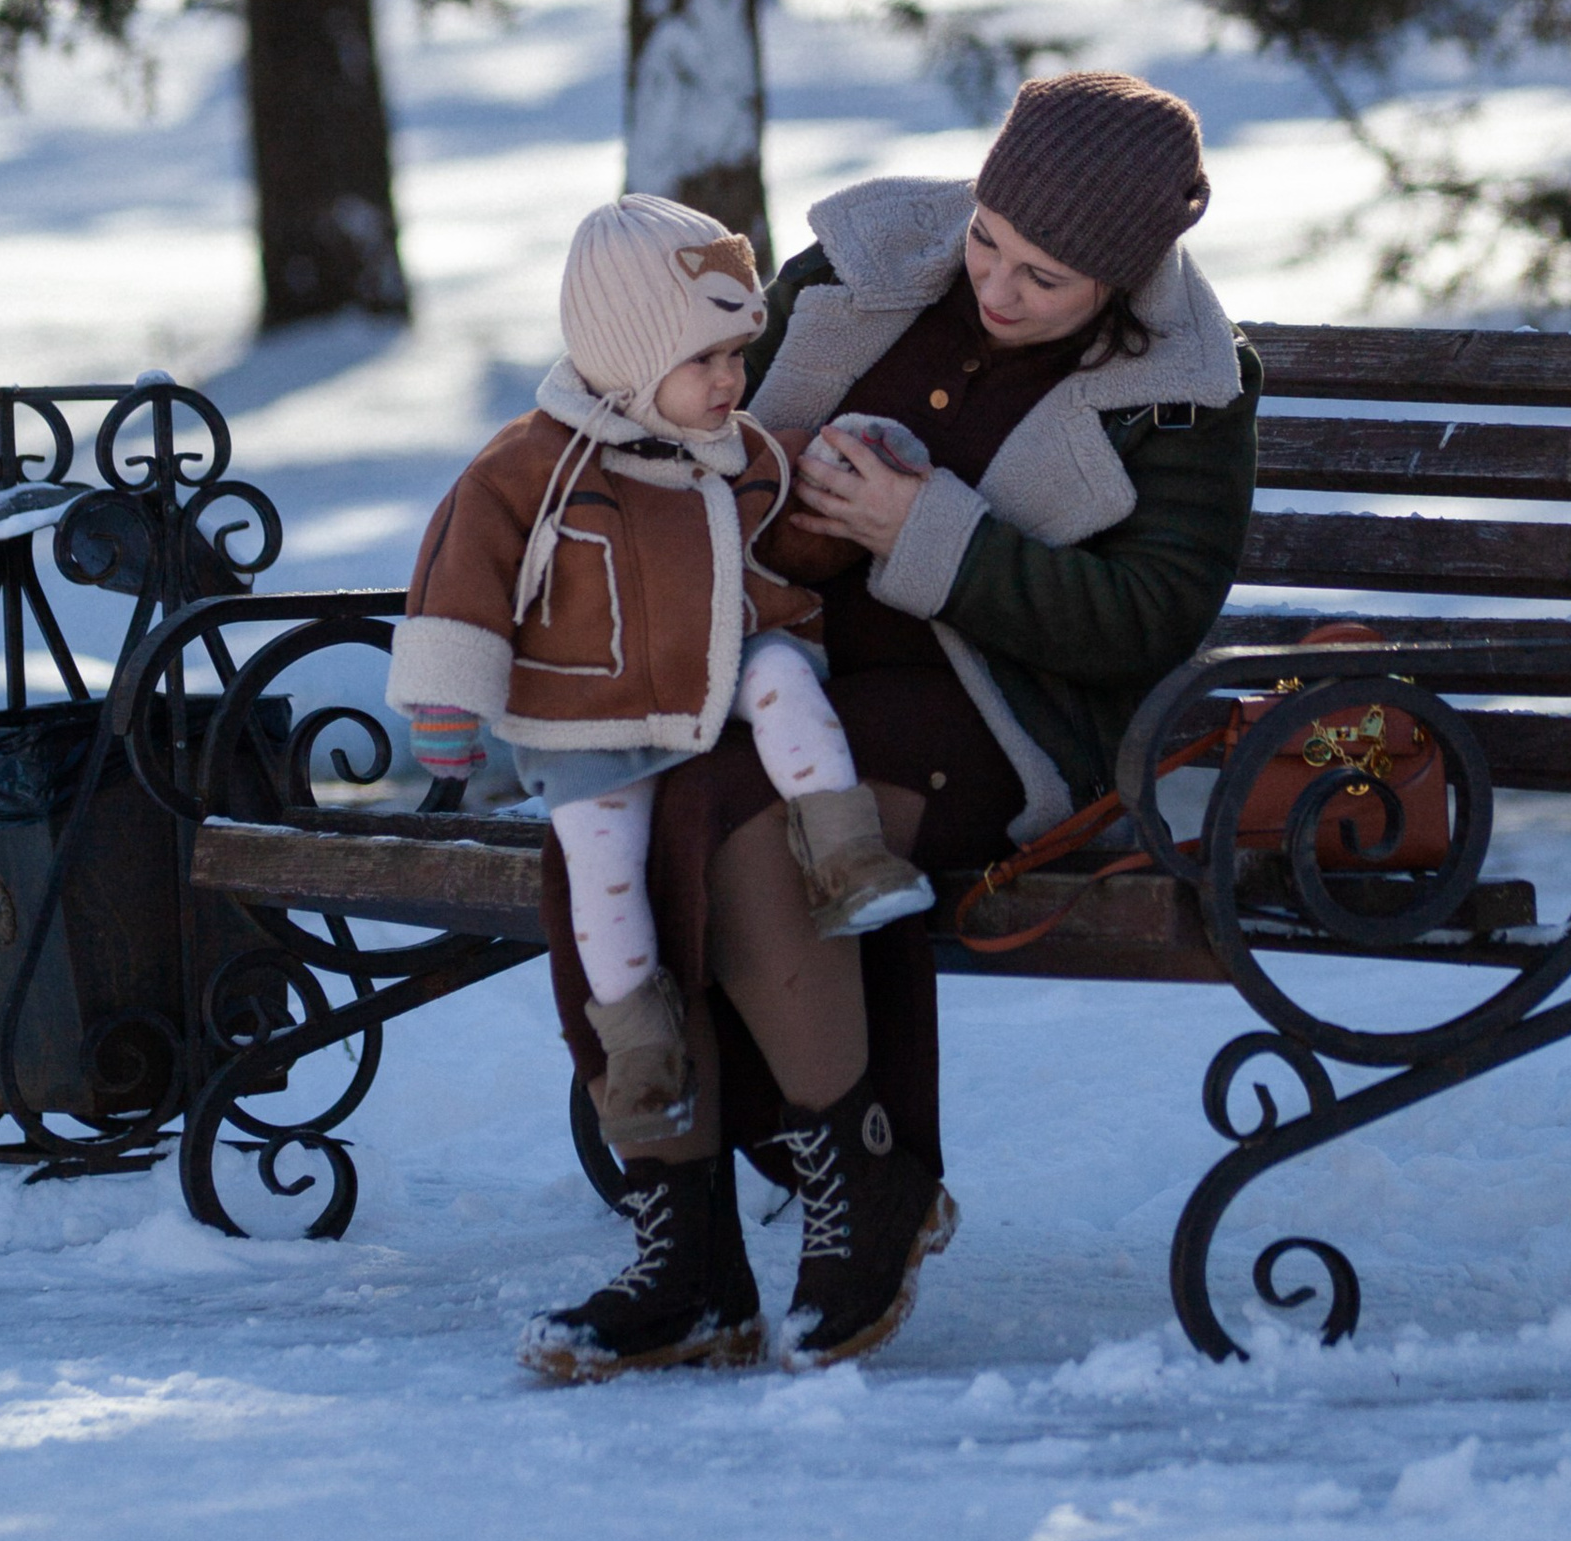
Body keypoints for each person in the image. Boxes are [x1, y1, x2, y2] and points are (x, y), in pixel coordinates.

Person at [522, 68, 1259, 1385]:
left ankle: (862, 1179)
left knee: (771, 818)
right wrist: (779, 500)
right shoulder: (854, 272)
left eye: (1048, 275)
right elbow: (681, 427)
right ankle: (684, 1255)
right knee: (627, 814)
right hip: (765, 666)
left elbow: (1151, 616)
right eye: (990, 240)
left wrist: (926, 539)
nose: (1001, 286)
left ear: (1128, 274)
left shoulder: (1184, 389)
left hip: (1005, 712)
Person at [386, 195, 931, 1156]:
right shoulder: (529, 466)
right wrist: (447, 697)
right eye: (705, 360)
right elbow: (459, 573)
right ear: (632, 354)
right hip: (585, 710)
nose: (732, 381)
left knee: (789, 683)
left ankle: (845, 856)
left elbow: (792, 509)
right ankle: (639, 1051)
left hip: (722, 674)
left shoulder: (734, 447)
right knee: (602, 876)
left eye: (738, 355)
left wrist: (860, 464)